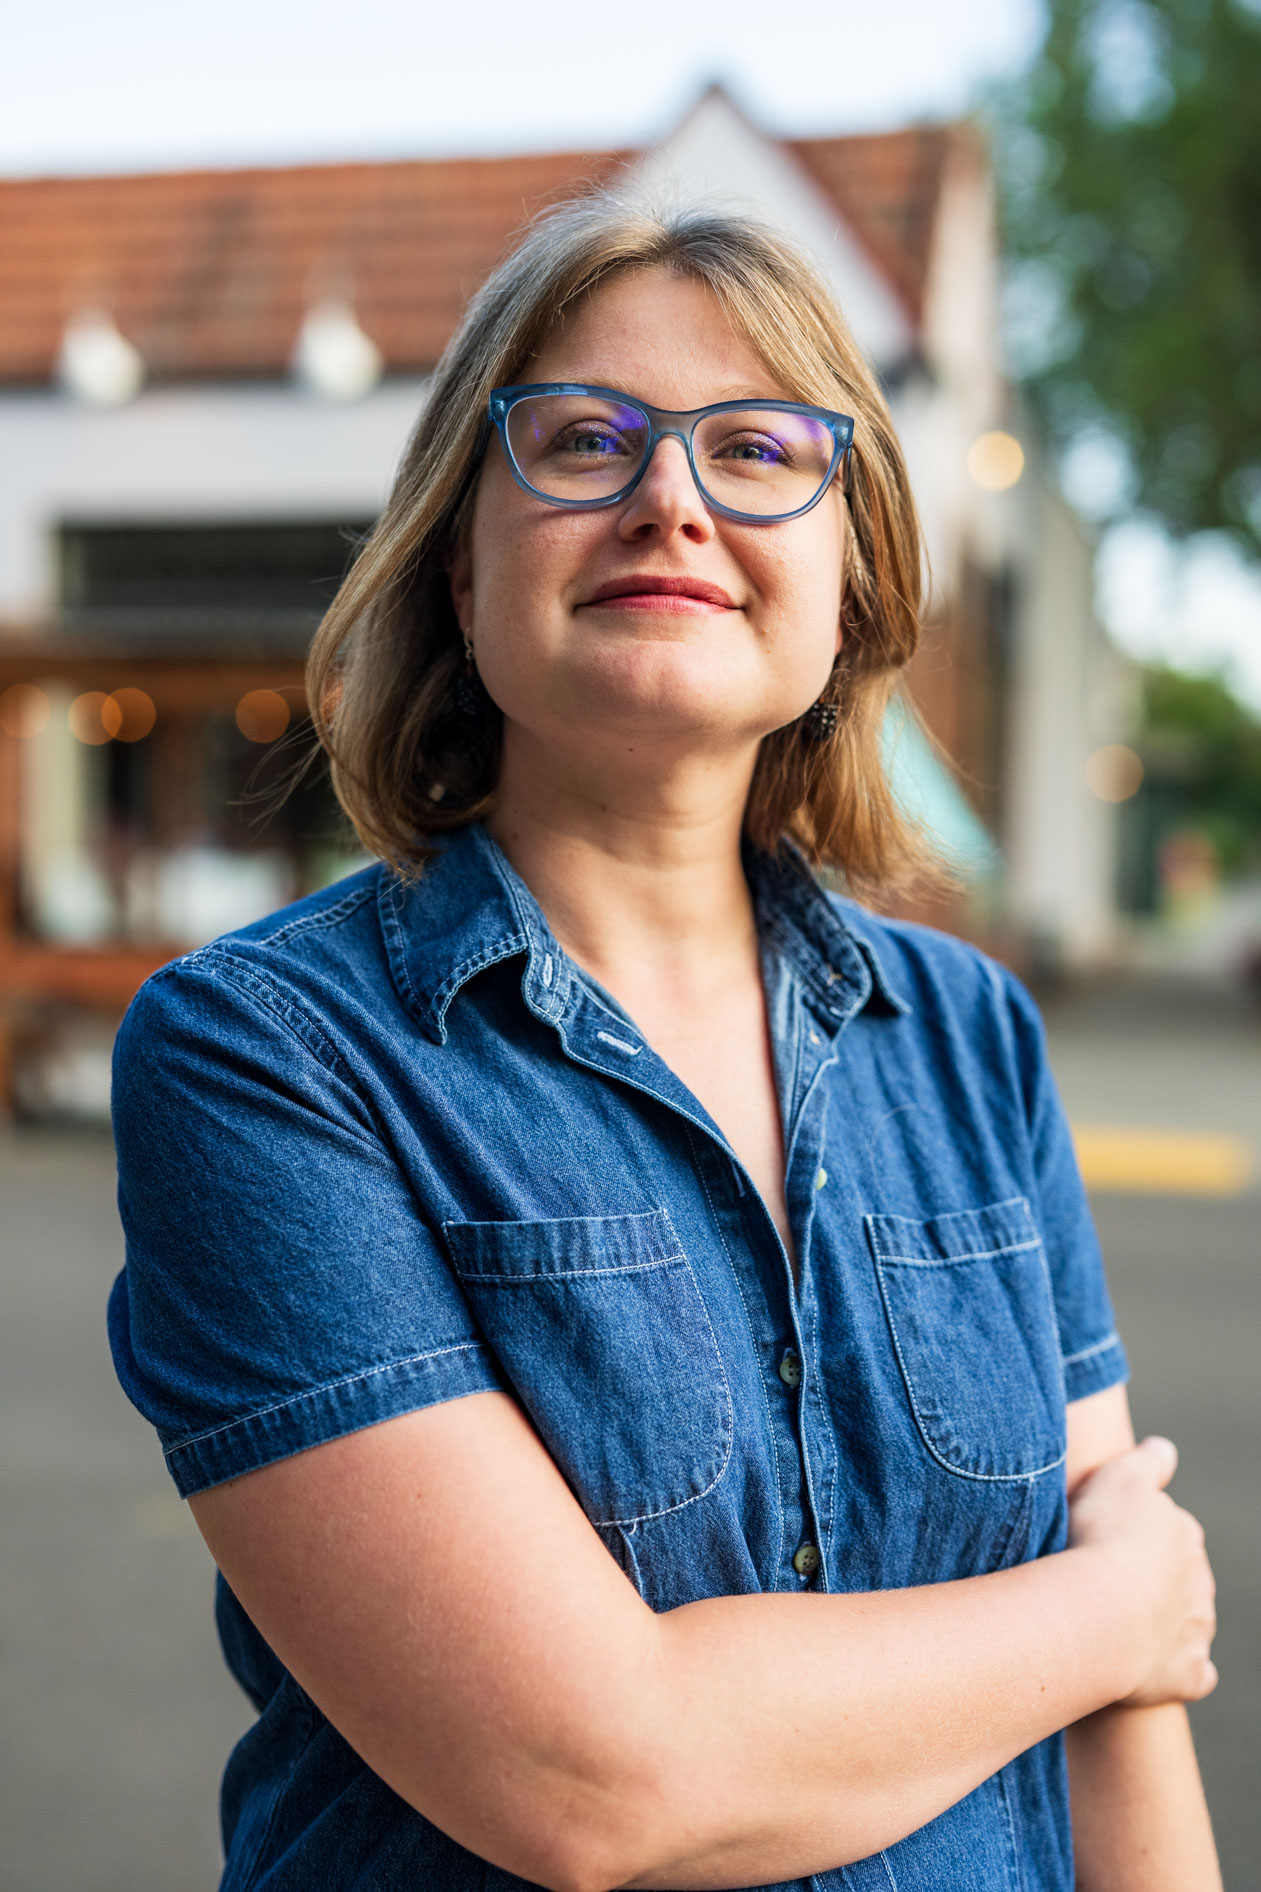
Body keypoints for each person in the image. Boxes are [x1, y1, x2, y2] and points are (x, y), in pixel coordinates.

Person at [108, 196, 1220, 1892]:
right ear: (456, 563)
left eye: (759, 448)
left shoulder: (969, 1033)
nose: (670, 499)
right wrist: (1117, 1605)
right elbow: (591, 1777)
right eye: (580, 439)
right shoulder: (263, 1056)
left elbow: (1129, 1732)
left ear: (849, 585)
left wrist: (1112, 1645)